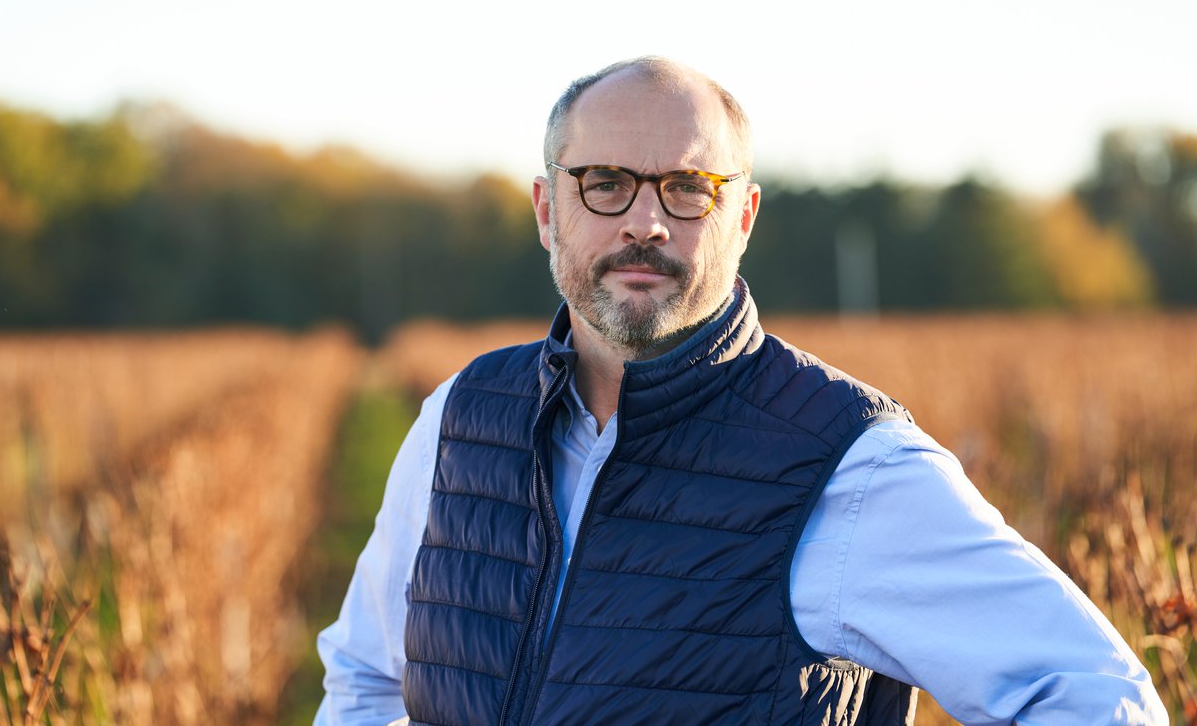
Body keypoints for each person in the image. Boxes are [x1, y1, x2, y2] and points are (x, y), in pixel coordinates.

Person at [316, 57, 1166, 725]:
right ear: (547, 210)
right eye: (603, 183)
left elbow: (1097, 697)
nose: (645, 222)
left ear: (744, 218)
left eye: (688, 189)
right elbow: (364, 679)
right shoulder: (460, 420)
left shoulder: (847, 466)